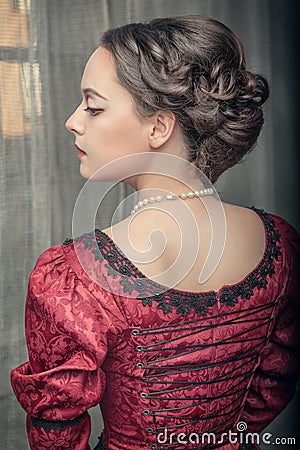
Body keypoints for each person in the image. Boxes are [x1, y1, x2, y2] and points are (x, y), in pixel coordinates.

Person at [11, 15, 299, 450]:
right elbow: (273, 385)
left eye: (93, 105)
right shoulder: (281, 244)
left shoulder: (73, 276)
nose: (73, 121)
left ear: (159, 127)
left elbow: (57, 430)